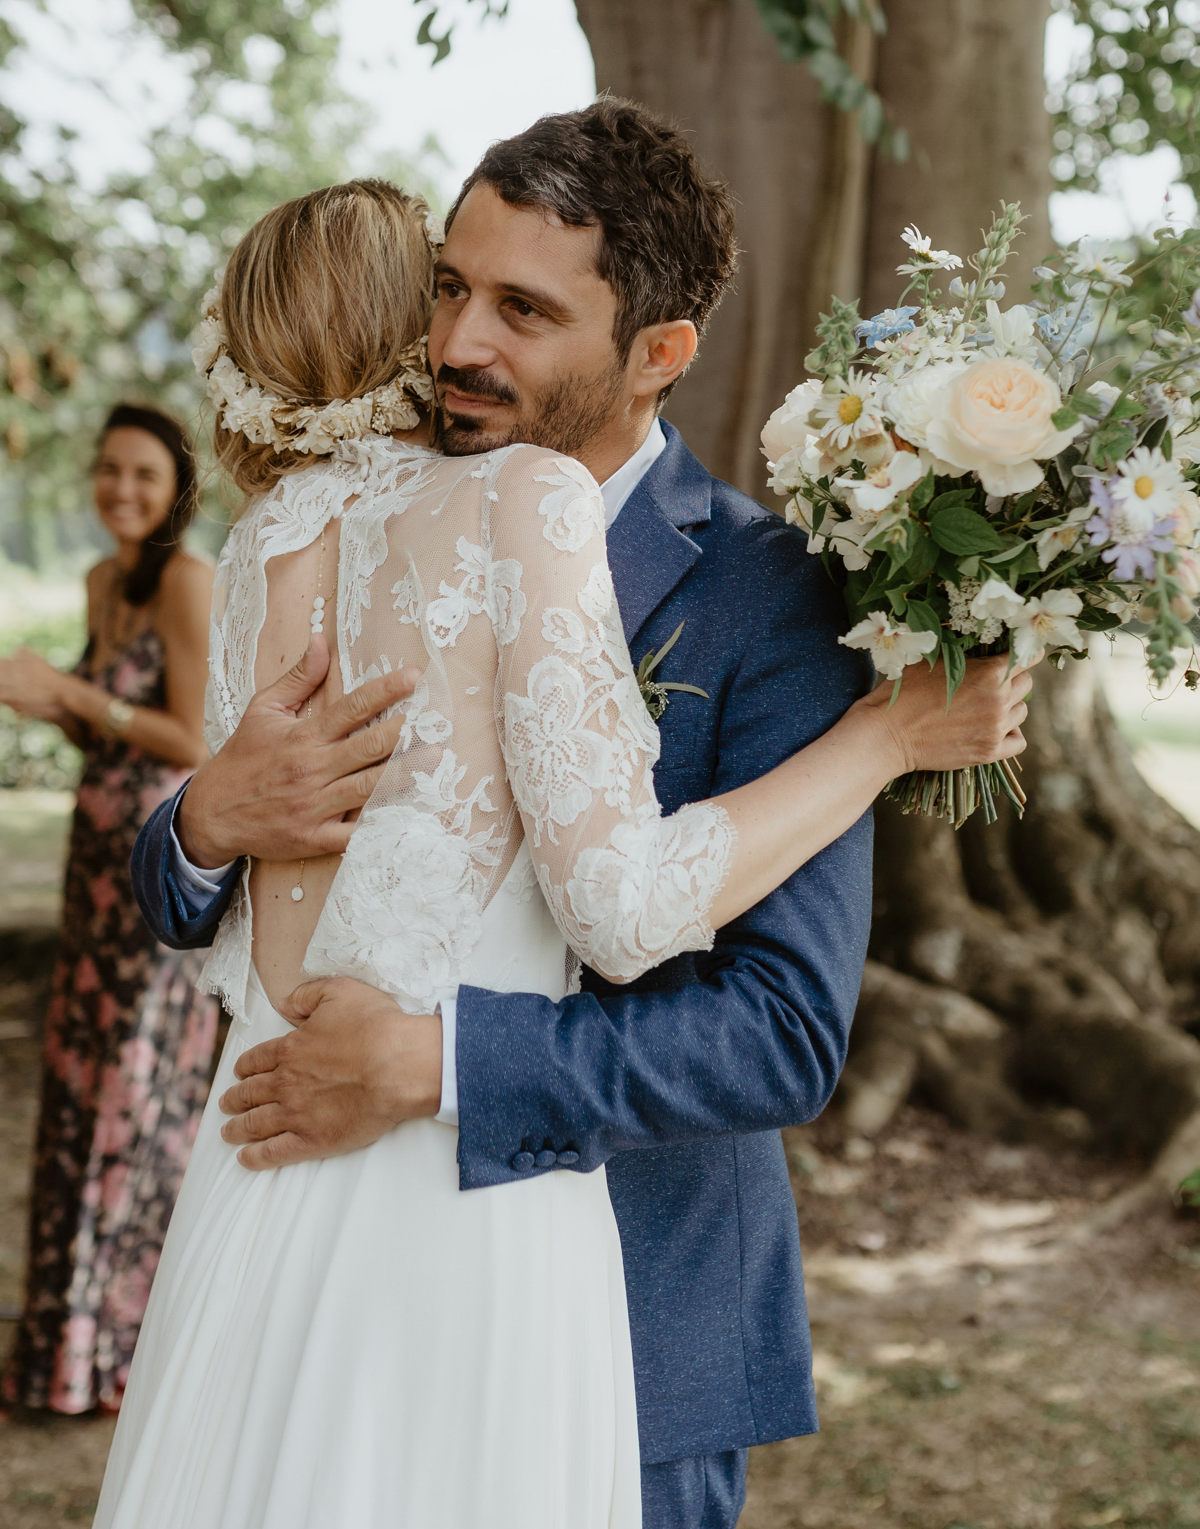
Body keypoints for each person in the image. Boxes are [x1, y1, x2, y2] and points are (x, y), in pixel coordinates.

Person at [122, 121, 1028, 1529]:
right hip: (322, 1282)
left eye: (524, 312)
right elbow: (206, 890)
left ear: (658, 351)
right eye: (447, 286)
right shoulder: (314, 524)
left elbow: (781, 1030)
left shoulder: (774, 592)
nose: (456, 344)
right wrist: (203, 819)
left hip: (629, 1314)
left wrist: (441, 1062)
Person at [0, 404, 217, 1415]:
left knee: (136, 1096)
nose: (121, 489)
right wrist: (54, 705)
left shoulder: (187, 581)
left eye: (143, 473)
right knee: (80, 1089)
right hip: (89, 876)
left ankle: (128, 1351)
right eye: (108, 470)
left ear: (176, 490)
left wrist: (76, 694)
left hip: (152, 887)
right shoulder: (101, 582)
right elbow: (112, 738)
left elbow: (194, 740)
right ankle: (63, 1351)